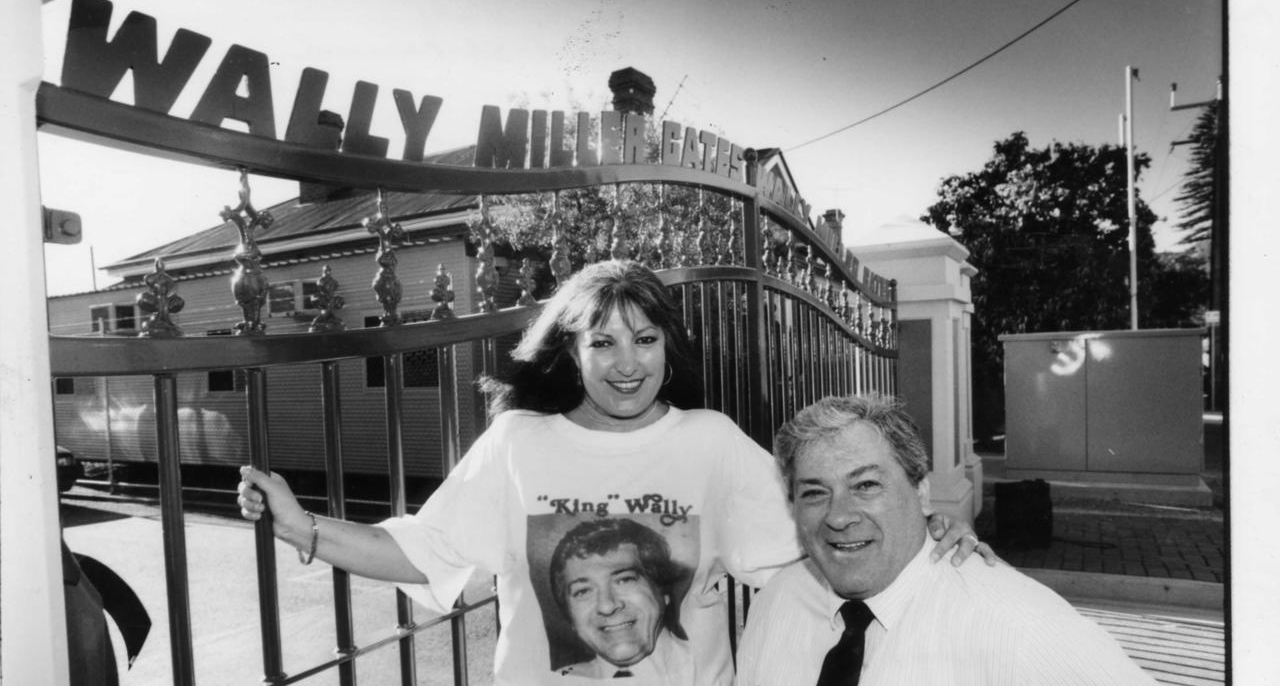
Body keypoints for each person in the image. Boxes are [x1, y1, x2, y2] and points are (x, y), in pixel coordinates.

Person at [238, 260, 991, 686]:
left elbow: (823, 541)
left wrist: (926, 534)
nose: (627, 363)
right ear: (571, 353)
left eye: (645, 338)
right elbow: (422, 554)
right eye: (603, 342)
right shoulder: (518, 443)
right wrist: (303, 528)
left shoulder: (711, 442)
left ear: (670, 349)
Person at [735, 393, 1158, 686]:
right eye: (814, 492)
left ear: (921, 492)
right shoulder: (779, 602)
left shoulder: (1016, 626)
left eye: (865, 485)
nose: (839, 516)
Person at [549, 518, 691, 679]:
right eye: (583, 591)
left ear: (662, 589)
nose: (606, 606)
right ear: (570, 617)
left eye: (624, 580)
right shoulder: (554, 680)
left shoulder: (711, 665)